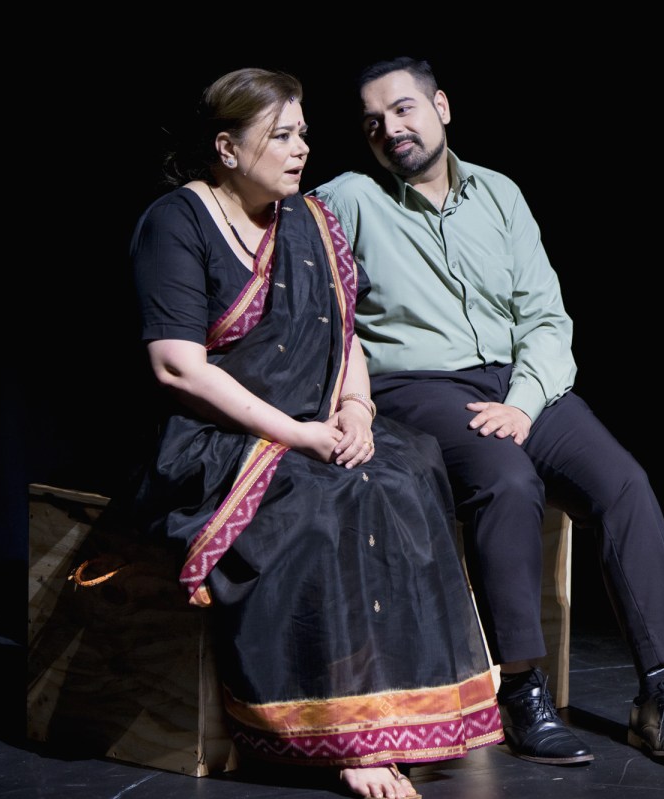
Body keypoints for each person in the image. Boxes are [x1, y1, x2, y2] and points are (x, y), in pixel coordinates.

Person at [311, 57, 664, 767]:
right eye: (373, 120)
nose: (390, 129)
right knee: (507, 480)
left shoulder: (498, 193)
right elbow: (308, 293)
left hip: (521, 380)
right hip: (420, 383)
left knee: (623, 483)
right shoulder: (347, 199)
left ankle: (659, 688)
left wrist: (524, 402)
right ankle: (522, 688)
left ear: (442, 107)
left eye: (404, 109)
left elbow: (547, 319)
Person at [128, 67, 503, 799]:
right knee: (325, 499)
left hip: (317, 424)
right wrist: (297, 435)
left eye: (303, 133)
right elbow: (177, 368)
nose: (301, 149)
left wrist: (356, 412)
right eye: (281, 136)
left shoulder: (311, 222)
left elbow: (346, 338)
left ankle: (406, 710)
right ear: (227, 148)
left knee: (404, 466)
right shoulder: (178, 221)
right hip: (217, 443)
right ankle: (347, 736)